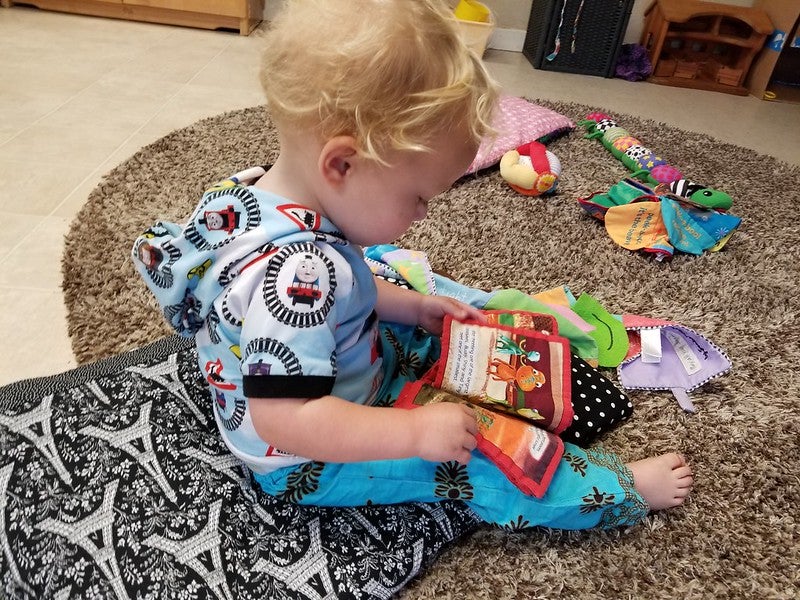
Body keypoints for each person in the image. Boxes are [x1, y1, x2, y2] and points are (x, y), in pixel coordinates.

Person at [132, 0, 692, 530]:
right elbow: (284, 419)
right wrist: (413, 431)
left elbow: (347, 285)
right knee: (486, 464)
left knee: (467, 343)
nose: (423, 215)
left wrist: (412, 303)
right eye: (418, 197)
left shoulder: (246, 193)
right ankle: (619, 490)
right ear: (342, 164)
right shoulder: (299, 271)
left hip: (342, 371)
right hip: (307, 454)